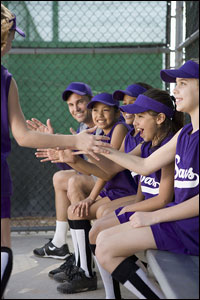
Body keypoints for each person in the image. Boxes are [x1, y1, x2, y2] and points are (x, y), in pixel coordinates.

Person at [1, 4, 109, 297]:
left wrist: (63, 145)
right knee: (2, 250)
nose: (13, 41)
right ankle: (65, 246)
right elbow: (23, 136)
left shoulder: (106, 128)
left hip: (109, 190)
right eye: (11, 35)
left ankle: (67, 248)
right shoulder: (6, 80)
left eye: (82, 103)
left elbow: (103, 171)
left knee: (68, 180)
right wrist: (66, 144)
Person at [93, 59, 199, 299]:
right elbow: (144, 165)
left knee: (107, 248)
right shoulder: (185, 132)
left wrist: (154, 216)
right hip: (182, 222)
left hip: (192, 227)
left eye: (183, 83)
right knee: (103, 240)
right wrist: (103, 149)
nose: (175, 90)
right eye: (176, 84)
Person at [40, 93, 138, 294]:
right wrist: (66, 154)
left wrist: (73, 156)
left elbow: (108, 169)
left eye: (105, 109)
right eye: (95, 110)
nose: (99, 115)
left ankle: (89, 271)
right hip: (113, 190)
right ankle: (82, 268)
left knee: (94, 212)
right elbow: (97, 170)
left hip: (124, 192)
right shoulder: (99, 130)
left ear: (116, 112)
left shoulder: (119, 128)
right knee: (75, 210)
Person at [28, 82, 103, 261]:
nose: (75, 108)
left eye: (80, 102)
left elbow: (100, 170)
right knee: (60, 177)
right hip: (94, 176)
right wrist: (55, 146)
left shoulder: (100, 124)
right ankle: (59, 242)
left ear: (90, 101)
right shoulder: (83, 128)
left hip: (109, 181)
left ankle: (83, 258)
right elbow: (76, 167)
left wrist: (64, 149)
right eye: (71, 104)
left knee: (74, 182)